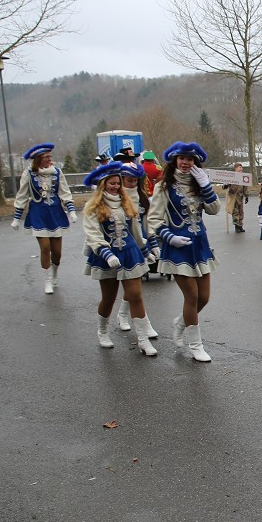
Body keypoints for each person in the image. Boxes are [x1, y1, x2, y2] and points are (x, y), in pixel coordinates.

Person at [147, 141, 219, 362]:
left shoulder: (199, 184)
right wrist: (170, 237)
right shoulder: (164, 187)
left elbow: (214, 209)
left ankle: (180, 323)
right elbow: (154, 219)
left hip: (200, 245)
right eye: (182, 158)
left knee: (204, 298)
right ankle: (195, 345)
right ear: (175, 160)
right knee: (192, 296)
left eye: (191, 159)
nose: (186, 162)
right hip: (178, 247)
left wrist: (206, 185)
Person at [82, 161, 156, 355]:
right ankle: (103, 331)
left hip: (129, 253)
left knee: (136, 296)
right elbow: (93, 234)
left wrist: (146, 250)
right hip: (106, 255)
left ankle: (143, 340)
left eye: (117, 183)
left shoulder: (126, 202)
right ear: (103, 184)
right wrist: (106, 253)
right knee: (108, 298)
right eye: (111, 183)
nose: (115, 187)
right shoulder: (93, 206)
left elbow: (136, 230)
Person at [10, 142, 77, 294]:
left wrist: (71, 210)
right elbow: (22, 195)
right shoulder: (29, 173)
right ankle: (47, 280)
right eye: (46, 157)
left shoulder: (57, 172)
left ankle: (54, 274)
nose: (49, 159)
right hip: (38, 214)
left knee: (57, 253)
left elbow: (65, 192)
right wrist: (16, 218)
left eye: (50, 156)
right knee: (45, 247)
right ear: (38, 159)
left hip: (56, 213)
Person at [117, 163, 160, 338]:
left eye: (135, 180)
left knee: (135, 286)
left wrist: (153, 243)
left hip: (138, 244)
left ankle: (129, 317)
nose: (132, 183)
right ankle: (109, 323)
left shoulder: (142, 198)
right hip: (119, 244)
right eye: (129, 180)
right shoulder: (115, 197)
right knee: (125, 288)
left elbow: (145, 223)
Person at [223, 163, 248, 233]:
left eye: (241, 167)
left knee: (241, 212)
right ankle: (236, 226)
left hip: (240, 196)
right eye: (239, 167)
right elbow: (226, 185)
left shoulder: (243, 177)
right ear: (235, 168)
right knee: (235, 212)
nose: (241, 169)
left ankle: (240, 225)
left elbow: (245, 187)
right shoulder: (232, 176)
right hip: (233, 197)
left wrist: (247, 196)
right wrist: (225, 186)